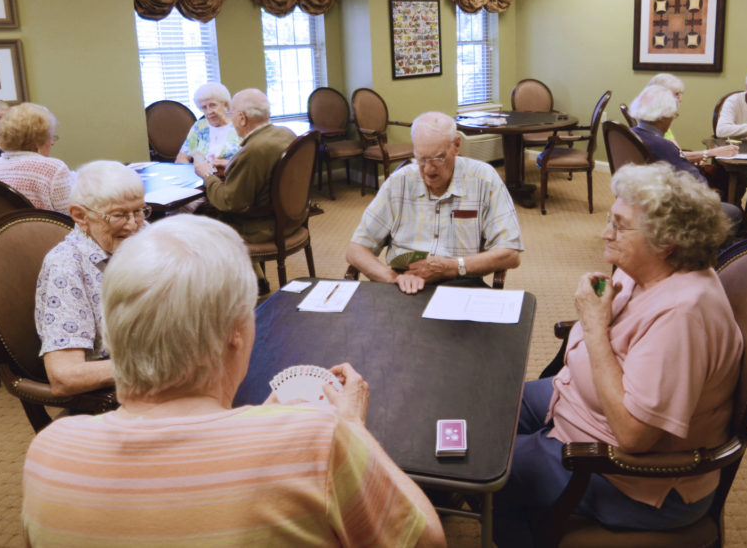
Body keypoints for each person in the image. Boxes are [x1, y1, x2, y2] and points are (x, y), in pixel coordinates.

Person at [22, 215, 446, 547]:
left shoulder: (49, 450)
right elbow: (427, 541)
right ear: (235, 334)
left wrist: (260, 421)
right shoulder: (318, 441)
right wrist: (352, 428)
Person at [493, 162, 743, 546]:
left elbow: (632, 435)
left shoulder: (682, 314)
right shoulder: (641, 268)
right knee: (485, 409)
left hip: (628, 476)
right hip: (576, 400)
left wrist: (592, 326)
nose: (603, 233)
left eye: (620, 225)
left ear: (667, 240)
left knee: (493, 470)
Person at [346, 111, 523, 295]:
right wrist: (392, 277)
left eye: (438, 158)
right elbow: (356, 249)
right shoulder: (399, 182)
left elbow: (510, 253)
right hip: (402, 283)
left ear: (456, 145)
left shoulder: (484, 179)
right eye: (421, 159)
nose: (428, 170)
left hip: (462, 282)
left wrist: (452, 266)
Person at [34, 161, 148, 397]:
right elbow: (65, 375)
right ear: (80, 216)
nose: (134, 225)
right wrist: (160, 367)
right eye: (119, 215)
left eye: (138, 211)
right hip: (125, 389)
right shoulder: (66, 267)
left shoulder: (143, 233)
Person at [196, 88, 295, 290]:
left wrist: (207, 174)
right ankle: (257, 280)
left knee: (200, 221)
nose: (231, 119)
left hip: (263, 228)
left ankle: (226, 293)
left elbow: (229, 203)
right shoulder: (286, 134)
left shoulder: (253, 150)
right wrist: (233, 164)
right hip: (293, 218)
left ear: (241, 118)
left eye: (232, 114)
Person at [628, 85, 743, 229]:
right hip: (670, 207)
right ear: (663, 117)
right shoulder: (663, 145)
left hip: (638, 200)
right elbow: (700, 185)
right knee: (734, 212)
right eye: (674, 115)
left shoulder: (629, 134)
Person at [0, 102, 72, 212]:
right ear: (38, 140)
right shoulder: (53, 169)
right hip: (45, 228)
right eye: (50, 137)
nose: (52, 142)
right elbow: (71, 218)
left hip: (0, 229)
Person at [174, 81, 242, 170]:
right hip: (204, 177)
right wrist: (192, 171)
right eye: (204, 107)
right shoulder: (200, 126)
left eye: (213, 105)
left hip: (232, 176)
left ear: (225, 105)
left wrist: (226, 163)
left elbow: (252, 160)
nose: (209, 111)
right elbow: (182, 158)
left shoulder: (240, 124)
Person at [645, 73, 685, 142]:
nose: (680, 100)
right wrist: (706, 152)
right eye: (676, 94)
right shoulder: (658, 121)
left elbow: (676, 151)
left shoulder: (659, 117)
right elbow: (676, 152)